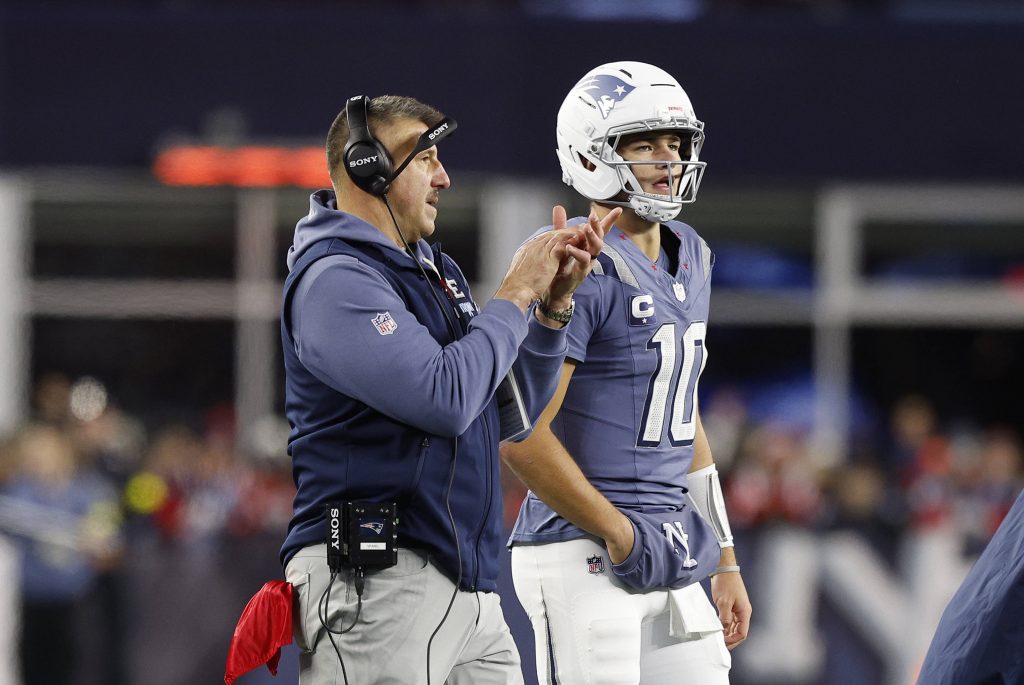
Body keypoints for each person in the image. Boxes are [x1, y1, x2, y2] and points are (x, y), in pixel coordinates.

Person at [279, 94, 615, 685]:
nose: (444, 177)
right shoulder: (334, 278)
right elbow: (446, 398)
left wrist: (552, 308)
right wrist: (514, 293)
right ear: (367, 167)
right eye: (426, 158)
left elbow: (510, 412)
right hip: (376, 578)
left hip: (465, 581)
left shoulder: (435, 272)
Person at [504, 62, 752, 684]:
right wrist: (618, 531)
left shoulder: (692, 253)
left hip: (670, 544)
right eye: (645, 145)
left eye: (675, 143)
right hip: (581, 545)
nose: (669, 159)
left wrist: (725, 557)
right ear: (592, 154)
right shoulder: (578, 261)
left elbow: (681, 413)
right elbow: (523, 435)